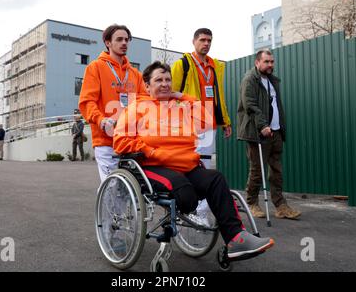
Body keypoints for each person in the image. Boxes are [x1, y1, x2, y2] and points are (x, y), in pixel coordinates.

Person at [113, 61, 274, 260]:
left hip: (187, 165)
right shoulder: (136, 108)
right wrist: (149, 150)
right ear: (146, 86)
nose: (165, 84)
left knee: (216, 179)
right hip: (153, 165)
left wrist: (183, 96)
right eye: (158, 80)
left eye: (168, 80)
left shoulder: (179, 107)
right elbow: (120, 141)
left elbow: (207, 122)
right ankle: (184, 210)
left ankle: (236, 239)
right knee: (184, 192)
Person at [237, 49, 301, 220]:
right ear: (257, 62)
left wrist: (278, 127)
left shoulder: (273, 81)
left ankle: (281, 206)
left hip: (276, 131)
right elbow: (249, 105)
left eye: (272, 61)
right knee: (257, 170)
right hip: (258, 132)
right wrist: (263, 125)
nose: (270, 65)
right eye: (266, 62)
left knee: (277, 170)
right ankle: (251, 203)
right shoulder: (250, 79)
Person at [79, 24, 147, 181]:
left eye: (127, 40)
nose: (124, 43)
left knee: (131, 189)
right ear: (108, 42)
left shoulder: (135, 74)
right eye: (119, 39)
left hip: (131, 141)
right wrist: (101, 120)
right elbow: (87, 102)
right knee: (112, 186)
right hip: (106, 140)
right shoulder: (95, 68)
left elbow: (144, 102)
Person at [171, 28, 232, 169]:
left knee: (205, 163)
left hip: (210, 123)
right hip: (190, 123)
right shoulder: (182, 64)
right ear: (194, 42)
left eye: (209, 41)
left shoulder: (215, 66)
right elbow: (171, 93)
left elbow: (220, 96)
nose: (206, 43)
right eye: (202, 40)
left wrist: (226, 121)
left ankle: (201, 190)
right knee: (188, 163)